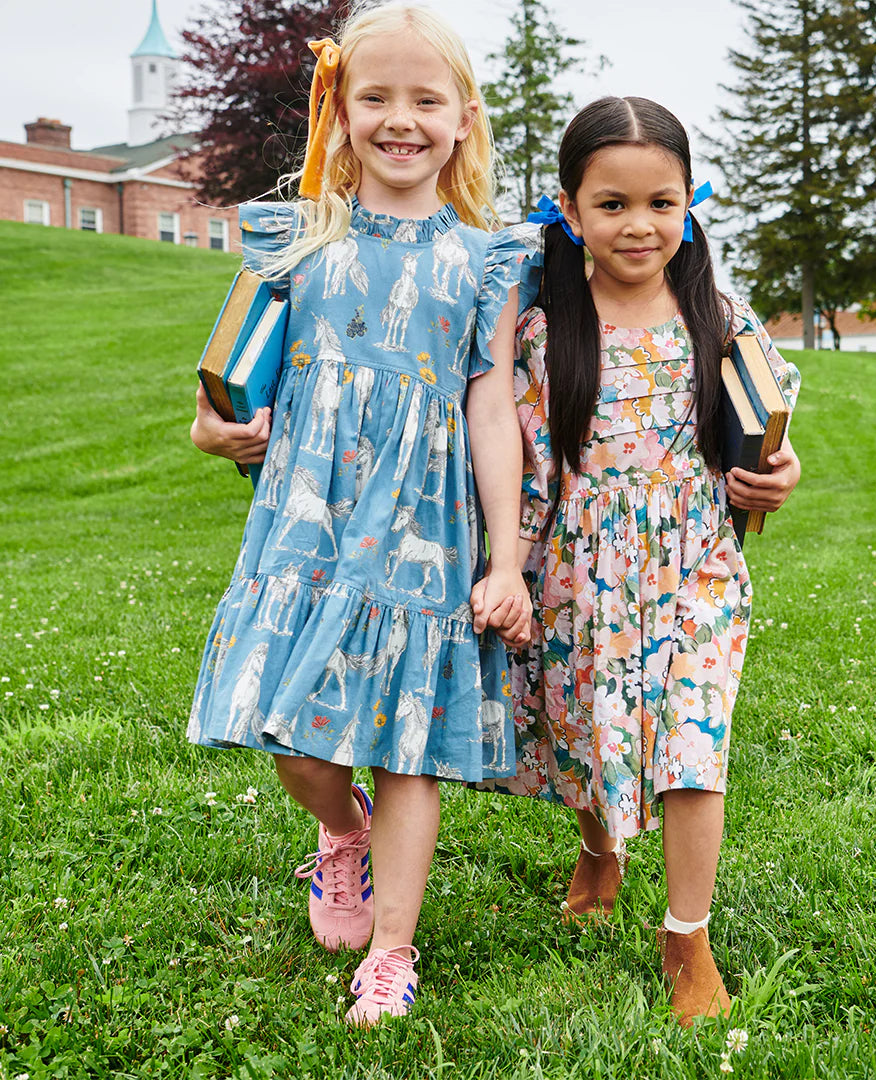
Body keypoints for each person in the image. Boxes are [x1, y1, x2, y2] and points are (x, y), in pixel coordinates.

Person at [186, 3, 540, 1027]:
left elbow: (491, 412)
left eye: (426, 100)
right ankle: (344, 833)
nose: (401, 119)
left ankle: (392, 950)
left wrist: (506, 559)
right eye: (375, 97)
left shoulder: (485, 260)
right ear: (338, 111)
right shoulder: (293, 239)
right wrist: (215, 431)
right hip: (310, 525)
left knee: (406, 739)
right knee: (293, 732)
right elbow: (224, 383)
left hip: (423, 526)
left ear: (464, 119)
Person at [474, 96, 802, 1026]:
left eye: (661, 202)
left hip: (695, 567)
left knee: (693, 748)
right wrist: (511, 569)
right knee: (588, 730)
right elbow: (526, 461)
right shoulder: (544, 330)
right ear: (570, 211)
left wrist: (781, 474)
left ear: (689, 203)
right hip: (579, 571)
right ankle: (600, 847)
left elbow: (769, 440)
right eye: (611, 204)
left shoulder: (722, 321)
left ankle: (687, 934)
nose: (638, 224)